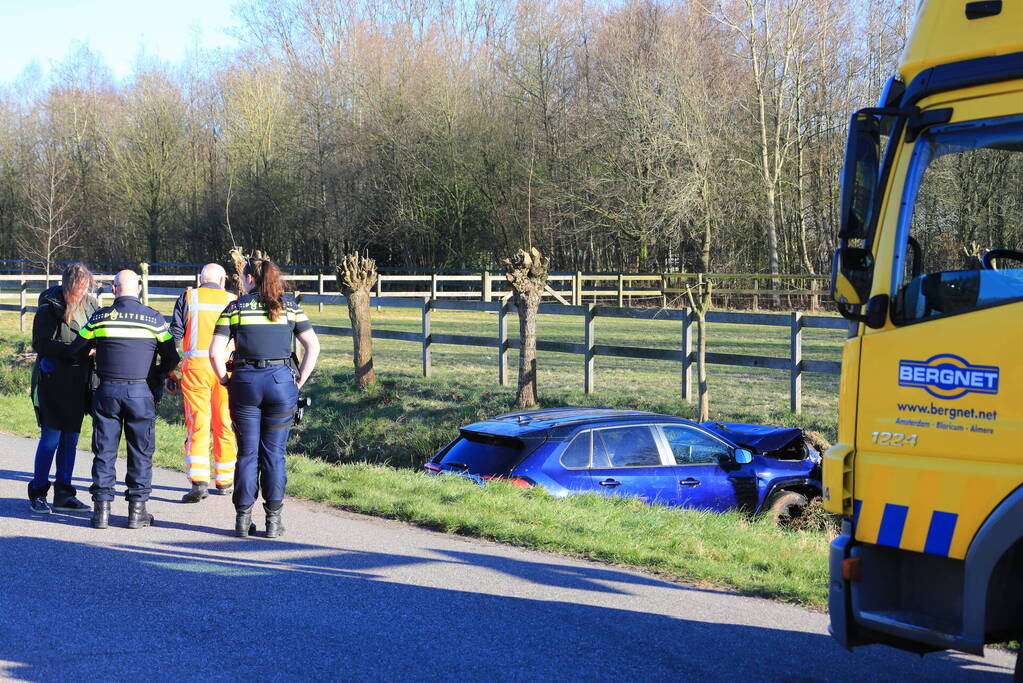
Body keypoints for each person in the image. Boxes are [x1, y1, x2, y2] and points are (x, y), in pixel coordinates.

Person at [209, 257, 319, 538]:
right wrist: (299, 380)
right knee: (274, 454)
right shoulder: (289, 307)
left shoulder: (235, 308)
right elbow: (313, 347)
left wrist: (224, 379)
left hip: (245, 382)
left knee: (246, 453)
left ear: (249, 279)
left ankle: (243, 520)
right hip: (281, 382)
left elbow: (214, 351)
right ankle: (273, 520)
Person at [65, 269, 180, 529]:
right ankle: (136, 512)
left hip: (106, 391)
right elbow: (172, 356)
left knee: (104, 451)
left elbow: (74, 350)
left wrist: (95, 353)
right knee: (141, 451)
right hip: (141, 392)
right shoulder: (154, 319)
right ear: (137, 289)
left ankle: (101, 512)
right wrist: (158, 375)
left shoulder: (100, 317)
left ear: (115, 289)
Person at [27, 263, 99, 514]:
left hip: (79, 380)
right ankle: (38, 491)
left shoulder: (91, 304)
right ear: (69, 284)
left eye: (85, 287)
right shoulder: (51, 303)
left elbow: (98, 334)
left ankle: (64, 493)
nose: (82, 292)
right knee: (51, 438)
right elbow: (41, 343)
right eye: (78, 287)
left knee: (71, 439)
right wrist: (74, 351)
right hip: (53, 377)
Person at [168, 263, 238, 502]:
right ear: (222, 280)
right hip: (226, 370)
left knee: (198, 423)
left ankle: (199, 483)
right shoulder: (234, 298)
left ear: (200, 279)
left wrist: (168, 370)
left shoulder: (189, 297)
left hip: (195, 369)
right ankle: (225, 480)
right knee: (225, 423)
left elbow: (174, 335)